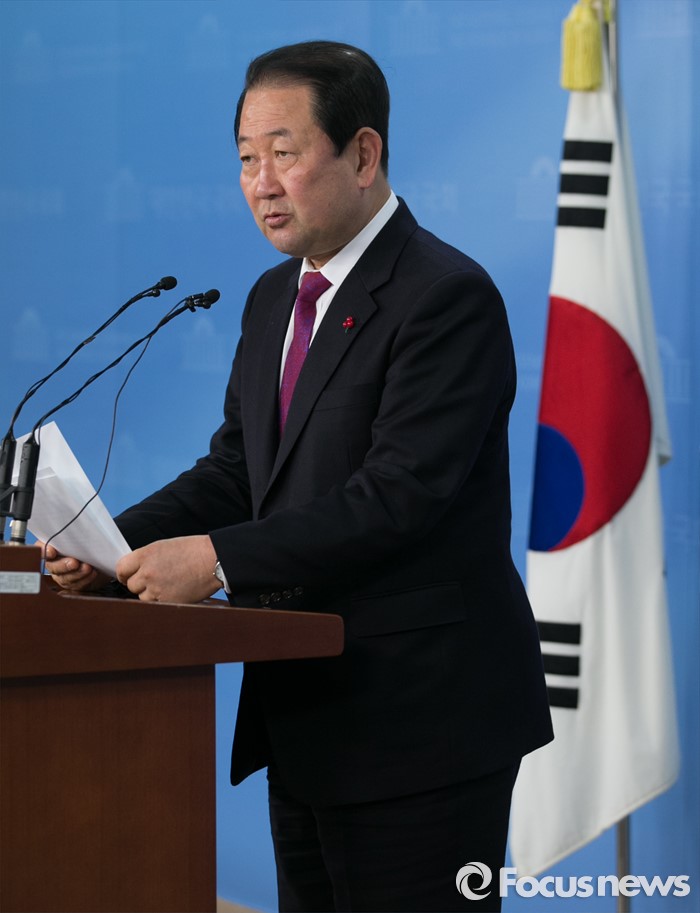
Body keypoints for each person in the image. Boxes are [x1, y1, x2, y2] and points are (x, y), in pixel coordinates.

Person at [45, 40, 553, 913]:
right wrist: (108, 547)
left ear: (364, 153)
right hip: (306, 714)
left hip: (419, 725)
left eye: (285, 153)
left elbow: (395, 497)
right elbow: (238, 470)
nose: (261, 183)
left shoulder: (445, 296)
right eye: (247, 159)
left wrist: (216, 560)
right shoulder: (273, 297)